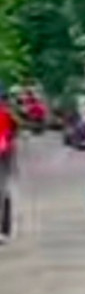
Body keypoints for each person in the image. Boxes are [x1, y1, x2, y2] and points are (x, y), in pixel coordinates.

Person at [0, 90, 18, 241]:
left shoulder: (5, 115)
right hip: (5, 155)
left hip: (3, 155)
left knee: (2, 191)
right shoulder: (7, 114)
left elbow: (8, 135)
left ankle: (4, 230)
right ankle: (4, 230)